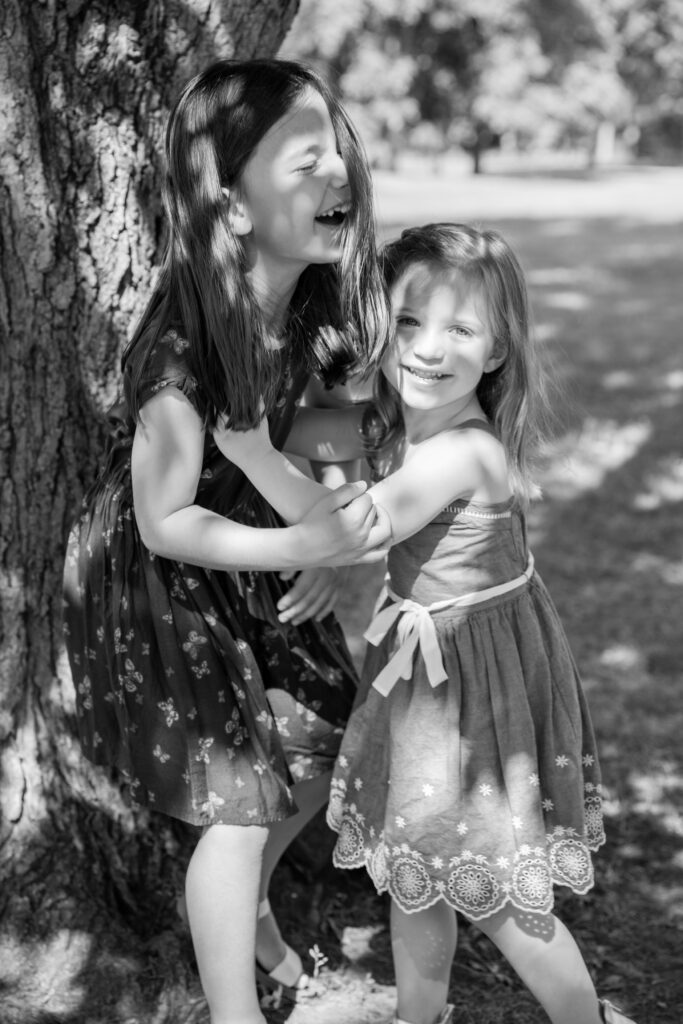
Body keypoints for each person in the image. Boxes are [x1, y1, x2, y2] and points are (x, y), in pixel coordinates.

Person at [213, 223, 639, 1024]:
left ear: (498, 350)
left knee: (498, 895)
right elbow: (338, 454)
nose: (427, 349)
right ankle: (420, 1014)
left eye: (460, 330)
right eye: (408, 322)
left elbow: (357, 527)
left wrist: (249, 455)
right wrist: (309, 407)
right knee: (416, 863)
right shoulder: (405, 420)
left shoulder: (461, 451)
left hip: (472, 685)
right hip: (430, 668)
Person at [62, 58, 393, 1024]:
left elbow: (332, 446)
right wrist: (309, 549)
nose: (338, 173)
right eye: (305, 160)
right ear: (232, 205)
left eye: (339, 149)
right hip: (174, 584)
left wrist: (331, 535)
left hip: (267, 558)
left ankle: (244, 912)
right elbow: (165, 520)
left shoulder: (323, 315)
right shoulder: (182, 346)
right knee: (239, 805)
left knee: (325, 745)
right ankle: (233, 1008)